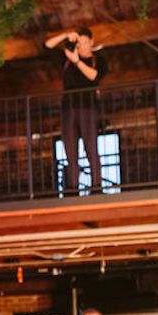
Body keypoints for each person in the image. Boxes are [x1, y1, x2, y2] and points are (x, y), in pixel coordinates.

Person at [45, 27, 107, 194]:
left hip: (87, 108)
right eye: (79, 43)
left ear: (91, 42)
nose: (82, 46)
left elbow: (94, 76)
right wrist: (66, 35)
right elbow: (47, 46)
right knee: (70, 151)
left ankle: (96, 186)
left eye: (85, 42)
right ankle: (72, 188)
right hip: (68, 109)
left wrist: (77, 62)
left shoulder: (98, 60)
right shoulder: (67, 59)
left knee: (91, 148)